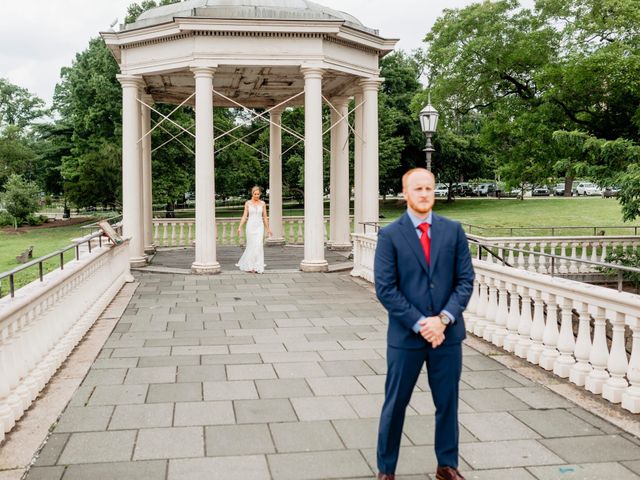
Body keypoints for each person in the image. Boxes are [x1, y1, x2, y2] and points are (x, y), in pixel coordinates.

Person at [374, 168, 475, 480]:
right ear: (405, 193)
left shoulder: (453, 230)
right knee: (395, 405)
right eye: (417, 189)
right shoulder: (390, 235)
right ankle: (386, 470)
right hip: (406, 337)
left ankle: (447, 465)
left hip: (447, 336)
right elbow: (386, 288)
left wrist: (443, 320)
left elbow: (465, 281)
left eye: (429, 188)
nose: (424, 194)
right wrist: (421, 323)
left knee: (447, 403)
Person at [236, 186, 272, 273]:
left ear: (260, 194)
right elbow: (245, 216)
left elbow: (265, 217)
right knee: (251, 245)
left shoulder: (263, 203)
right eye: (255, 194)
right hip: (250, 226)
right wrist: (240, 227)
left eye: (258, 194)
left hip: (259, 226)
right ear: (252, 194)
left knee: (259, 245)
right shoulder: (248, 203)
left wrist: (268, 228)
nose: (256, 195)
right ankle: (250, 266)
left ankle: (258, 266)